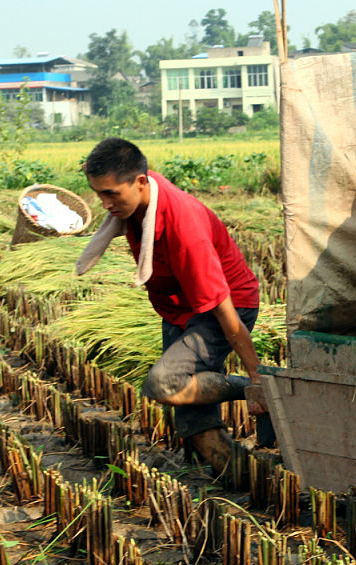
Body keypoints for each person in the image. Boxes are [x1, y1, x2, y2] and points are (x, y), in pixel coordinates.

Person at [75, 138, 265, 473]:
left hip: (225, 307)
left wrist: (256, 376)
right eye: (98, 193)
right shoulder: (138, 195)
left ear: (140, 183)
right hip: (179, 306)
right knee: (193, 421)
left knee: (164, 383)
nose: (104, 204)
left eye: (110, 194)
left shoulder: (185, 229)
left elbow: (224, 311)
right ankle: (234, 476)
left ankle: (265, 385)